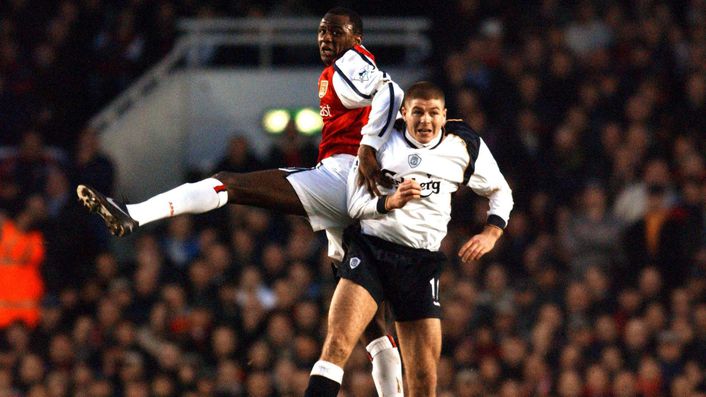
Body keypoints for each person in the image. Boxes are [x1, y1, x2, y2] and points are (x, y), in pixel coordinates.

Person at [76, 7, 406, 396]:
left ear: (356, 37)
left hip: (343, 178)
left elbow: (391, 91)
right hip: (355, 197)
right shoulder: (339, 68)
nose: (325, 38)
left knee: (228, 184)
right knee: (372, 330)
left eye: (336, 31)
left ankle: (133, 214)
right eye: (321, 31)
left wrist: (368, 151)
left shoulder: (352, 61)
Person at [304, 81, 513, 396]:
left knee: (422, 379)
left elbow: (500, 191)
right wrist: (391, 202)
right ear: (404, 113)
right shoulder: (382, 141)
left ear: (445, 116)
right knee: (337, 343)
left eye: (432, 113)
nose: (425, 121)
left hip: (419, 265)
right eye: (417, 112)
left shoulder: (464, 146)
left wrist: (491, 232)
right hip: (372, 252)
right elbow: (355, 203)